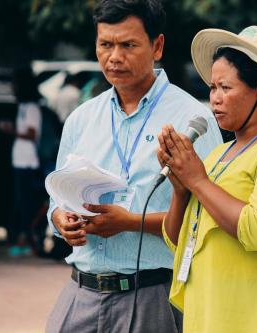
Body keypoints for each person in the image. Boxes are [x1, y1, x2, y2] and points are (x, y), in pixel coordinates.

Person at [45, 1, 222, 332]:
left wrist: (130, 223)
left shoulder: (192, 121)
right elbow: (57, 199)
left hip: (152, 295)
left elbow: (208, 219)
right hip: (81, 292)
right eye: (105, 44)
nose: (114, 56)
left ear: (157, 46)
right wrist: (60, 219)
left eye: (128, 45)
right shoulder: (81, 119)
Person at [159, 26, 257, 332]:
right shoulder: (218, 154)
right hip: (208, 315)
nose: (214, 98)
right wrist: (181, 189)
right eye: (212, 88)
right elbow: (177, 242)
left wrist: (199, 182)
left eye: (226, 88)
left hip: (255, 318)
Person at [0, 66, 42, 258]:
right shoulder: (23, 106)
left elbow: (32, 134)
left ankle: (27, 240)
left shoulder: (31, 107)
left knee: (26, 204)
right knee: (20, 202)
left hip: (28, 162)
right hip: (20, 160)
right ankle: (23, 239)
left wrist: (11, 131)